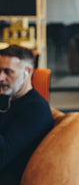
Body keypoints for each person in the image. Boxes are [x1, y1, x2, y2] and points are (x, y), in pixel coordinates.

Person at [0, 45, 54, 184]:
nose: (1, 77)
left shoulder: (35, 109)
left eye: (8, 72)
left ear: (27, 71)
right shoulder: (8, 98)